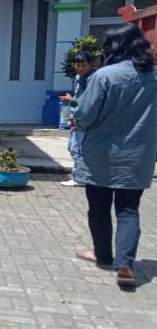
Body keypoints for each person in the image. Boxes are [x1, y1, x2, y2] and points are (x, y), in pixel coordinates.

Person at [71, 23, 157, 289]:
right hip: (138, 156)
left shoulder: (104, 76)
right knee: (128, 210)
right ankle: (125, 264)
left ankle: (103, 255)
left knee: (98, 208)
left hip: (102, 155)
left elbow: (84, 116)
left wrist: (78, 122)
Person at [59, 51, 94, 187]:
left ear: (89, 64)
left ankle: (80, 178)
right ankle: (80, 176)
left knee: (77, 149)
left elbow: (89, 102)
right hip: (77, 117)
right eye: (77, 65)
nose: (80, 68)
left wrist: (71, 100)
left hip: (84, 120)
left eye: (83, 65)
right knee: (72, 147)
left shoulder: (91, 79)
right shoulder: (79, 77)